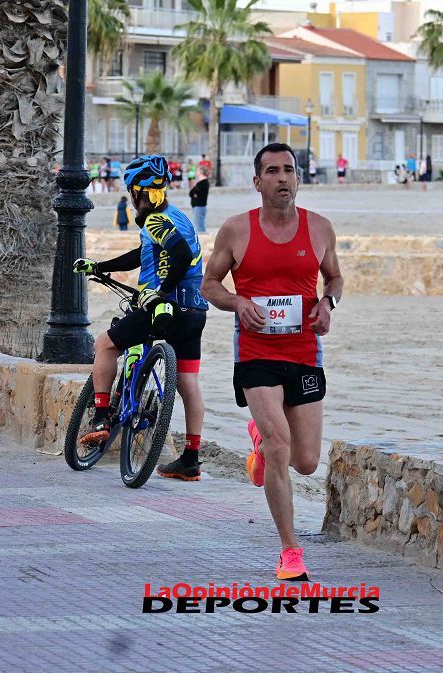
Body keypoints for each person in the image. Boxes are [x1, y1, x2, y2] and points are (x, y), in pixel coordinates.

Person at [201, 142, 343, 581]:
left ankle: (261, 444)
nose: (283, 178)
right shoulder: (236, 231)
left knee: (306, 462)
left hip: (303, 352)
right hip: (256, 353)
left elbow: (335, 277)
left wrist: (327, 303)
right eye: (273, 171)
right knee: (281, 448)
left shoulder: (319, 229)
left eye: (290, 170)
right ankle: (290, 551)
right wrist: (238, 302)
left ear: (298, 178)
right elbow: (209, 284)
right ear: (258, 182)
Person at [72, 155, 209, 481]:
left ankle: (103, 417)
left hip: (166, 307)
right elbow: (144, 255)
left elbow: (181, 254)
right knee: (188, 382)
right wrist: (101, 266)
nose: (132, 197)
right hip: (195, 311)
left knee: (105, 345)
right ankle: (190, 458)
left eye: (132, 191)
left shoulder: (156, 221)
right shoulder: (179, 216)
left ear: (138, 191)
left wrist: (160, 291)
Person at [189, 167, 210, 233]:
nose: (196, 172)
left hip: (199, 206)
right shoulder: (200, 182)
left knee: (199, 227)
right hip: (198, 206)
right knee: (200, 225)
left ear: (201, 172)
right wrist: (194, 194)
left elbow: (194, 192)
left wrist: (195, 194)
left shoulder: (203, 183)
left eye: (197, 170)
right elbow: (192, 193)